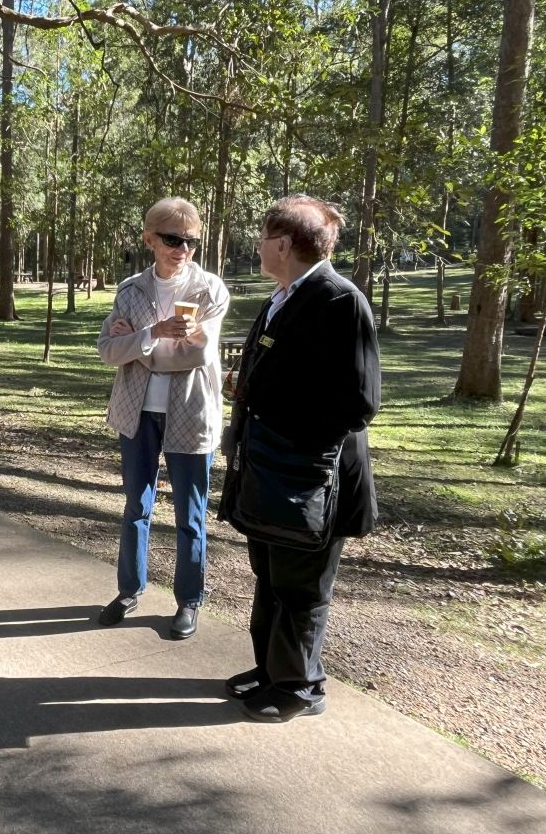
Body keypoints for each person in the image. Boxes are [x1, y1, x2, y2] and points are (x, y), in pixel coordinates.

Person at [220, 195, 380, 722]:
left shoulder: (339, 300)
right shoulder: (283, 296)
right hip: (270, 471)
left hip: (311, 477)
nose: (258, 246)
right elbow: (287, 374)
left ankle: (301, 689)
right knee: (270, 574)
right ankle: (272, 670)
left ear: (284, 244)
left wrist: (266, 400)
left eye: (265, 238)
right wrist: (246, 387)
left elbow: (357, 403)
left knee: (302, 586)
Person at [95, 197, 229, 639]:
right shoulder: (131, 290)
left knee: (190, 515)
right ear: (149, 239)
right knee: (136, 507)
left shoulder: (210, 291)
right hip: (138, 415)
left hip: (190, 415)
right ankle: (129, 590)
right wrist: (151, 335)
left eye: (191, 241)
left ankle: (189, 600)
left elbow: (196, 354)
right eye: (173, 240)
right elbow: (106, 351)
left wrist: (137, 347)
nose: (183, 249)